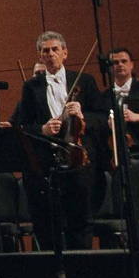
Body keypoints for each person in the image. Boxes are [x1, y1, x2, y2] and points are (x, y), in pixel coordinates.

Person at [10, 31, 104, 251]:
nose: (50, 54)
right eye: (45, 51)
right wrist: (43, 129)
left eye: (55, 49)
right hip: (48, 161)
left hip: (79, 159)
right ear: (40, 56)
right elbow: (23, 125)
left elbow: (102, 118)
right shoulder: (31, 86)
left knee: (81, 219)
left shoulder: (85, 81)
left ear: (65, 53)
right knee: (49, 221)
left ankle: (82, 263)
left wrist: (82, 115)